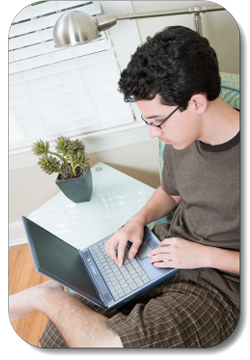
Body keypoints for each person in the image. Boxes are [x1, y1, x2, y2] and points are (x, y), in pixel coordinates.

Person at [9, 25, 240, 348]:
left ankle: (46, 297)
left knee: (106, 345)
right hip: (160, 252)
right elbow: (171, 192)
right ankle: (50, 297)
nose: (153, 134)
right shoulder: (181, 140)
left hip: (218, 287)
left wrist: (204, 255)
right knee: (57, 338)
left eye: (158, 121)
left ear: (197, 102)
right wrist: (137, 221)